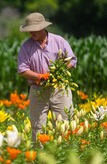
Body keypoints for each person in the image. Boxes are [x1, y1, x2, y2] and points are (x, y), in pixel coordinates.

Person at [17, 12, 77, 144]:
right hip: (38, 90)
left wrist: (59, 72)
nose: (31, 34)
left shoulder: (59, 41)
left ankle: (65, 157)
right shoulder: (26, 46)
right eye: (29, 31)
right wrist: (40, 76)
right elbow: (22, 70)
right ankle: (40, 160)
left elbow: (72, 60)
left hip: (60, 89)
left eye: (34, 31)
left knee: (65, 124)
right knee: (38, 127)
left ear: (43, 28)